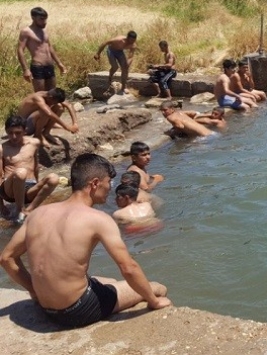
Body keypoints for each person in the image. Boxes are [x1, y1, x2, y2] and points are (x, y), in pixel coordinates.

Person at [0, 153, 171, 328]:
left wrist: (34, 291)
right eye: (108, 183)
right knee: (157, 288)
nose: (111, 188)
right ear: (95, 184)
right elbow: (128, 268)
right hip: (77, 310)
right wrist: (153, 301)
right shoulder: (98, 219)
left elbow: (6, 258)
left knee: (111, 282)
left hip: (45, 307)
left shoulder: (37, 214)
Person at [0, 115, 59, 224]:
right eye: (10, 133)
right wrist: (1, 205)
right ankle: (20, 209)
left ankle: (29, 210)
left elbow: (35, 166)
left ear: (25, 130)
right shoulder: (3, 148)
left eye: (18, 133)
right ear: (6, 131)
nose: (13, 136)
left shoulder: (34, 143)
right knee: (21, 173)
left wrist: (39, 188)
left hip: (29, 188)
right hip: (9, 190)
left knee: (54, 178)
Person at [17, 7, 68, 92]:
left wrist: (59, 64)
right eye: (41, 19)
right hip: (38, 67)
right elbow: (20, 50)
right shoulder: (26, 31)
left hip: (49, 66)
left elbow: (49, 47)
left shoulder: (44, 30)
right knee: (41, 95)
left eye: (45, 19)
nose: (44, 22)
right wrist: (25, 69)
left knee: (52, 95)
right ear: (33, 18)